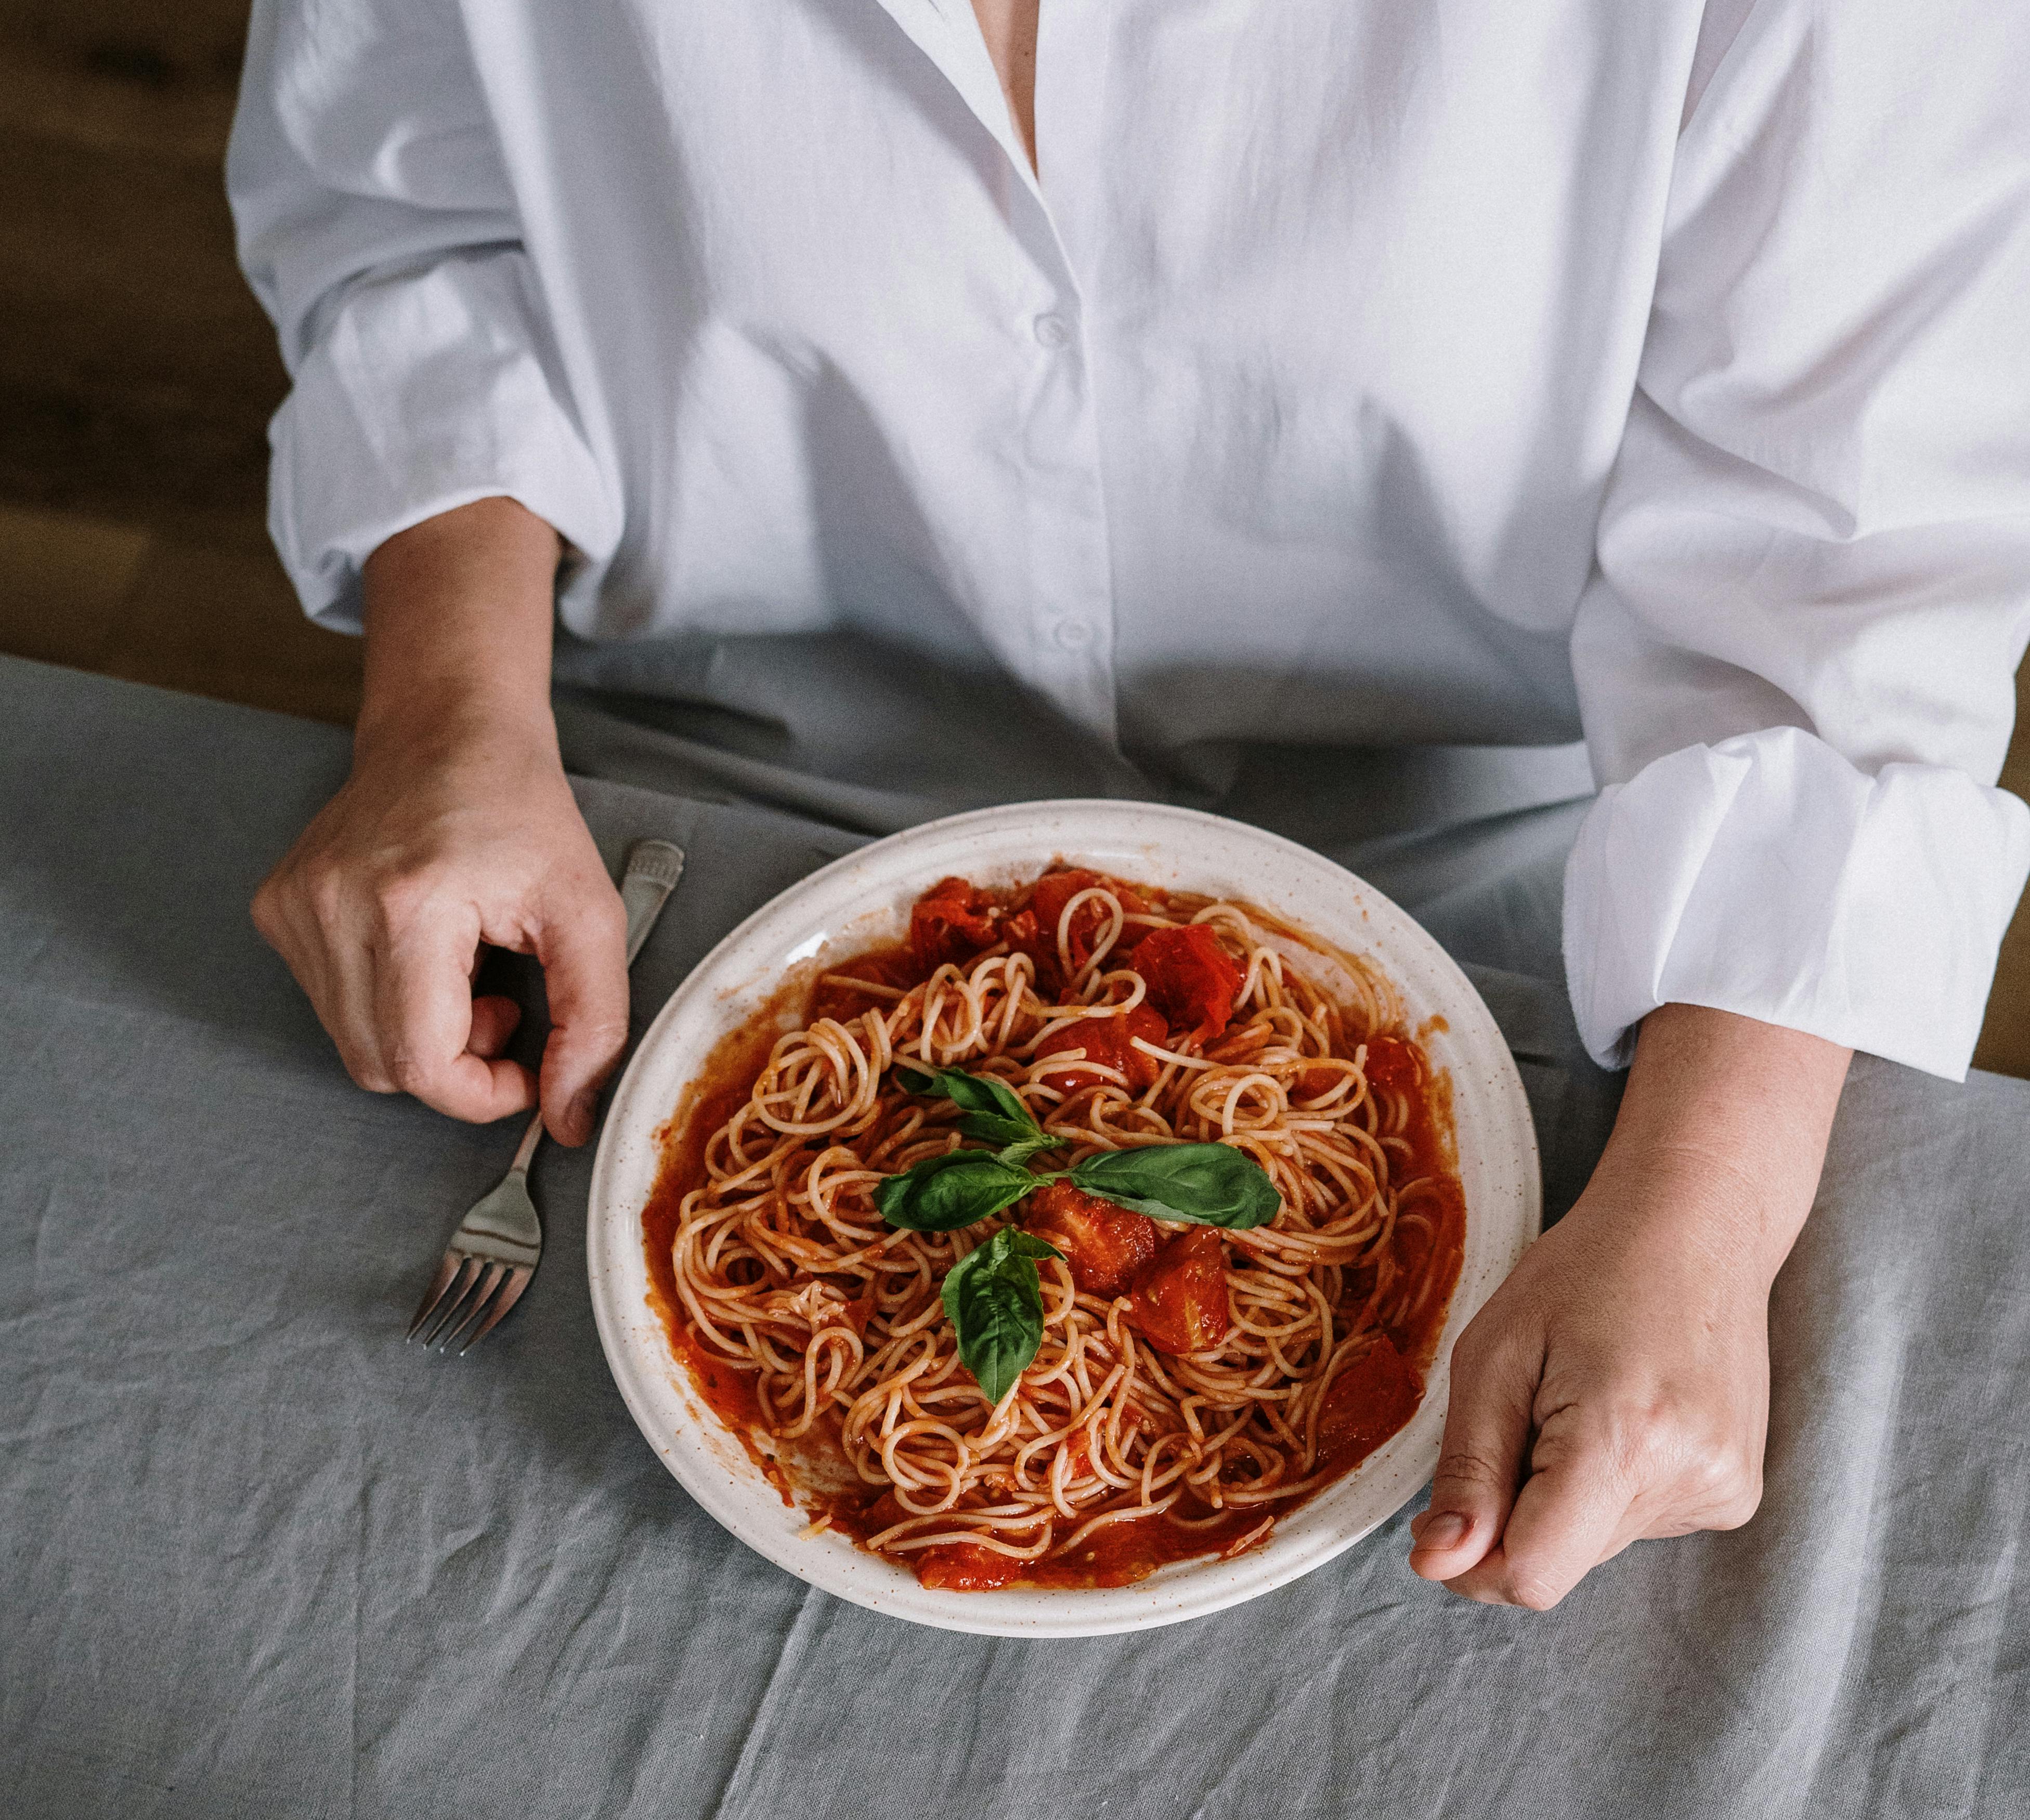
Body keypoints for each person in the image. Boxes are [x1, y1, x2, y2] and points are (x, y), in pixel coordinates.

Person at [228, 0, 2030, 1611]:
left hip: (1537, 843)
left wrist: (1700, 1222)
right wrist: (446, 717)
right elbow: (413, 216)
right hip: (711, 768)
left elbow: (1845, 544)